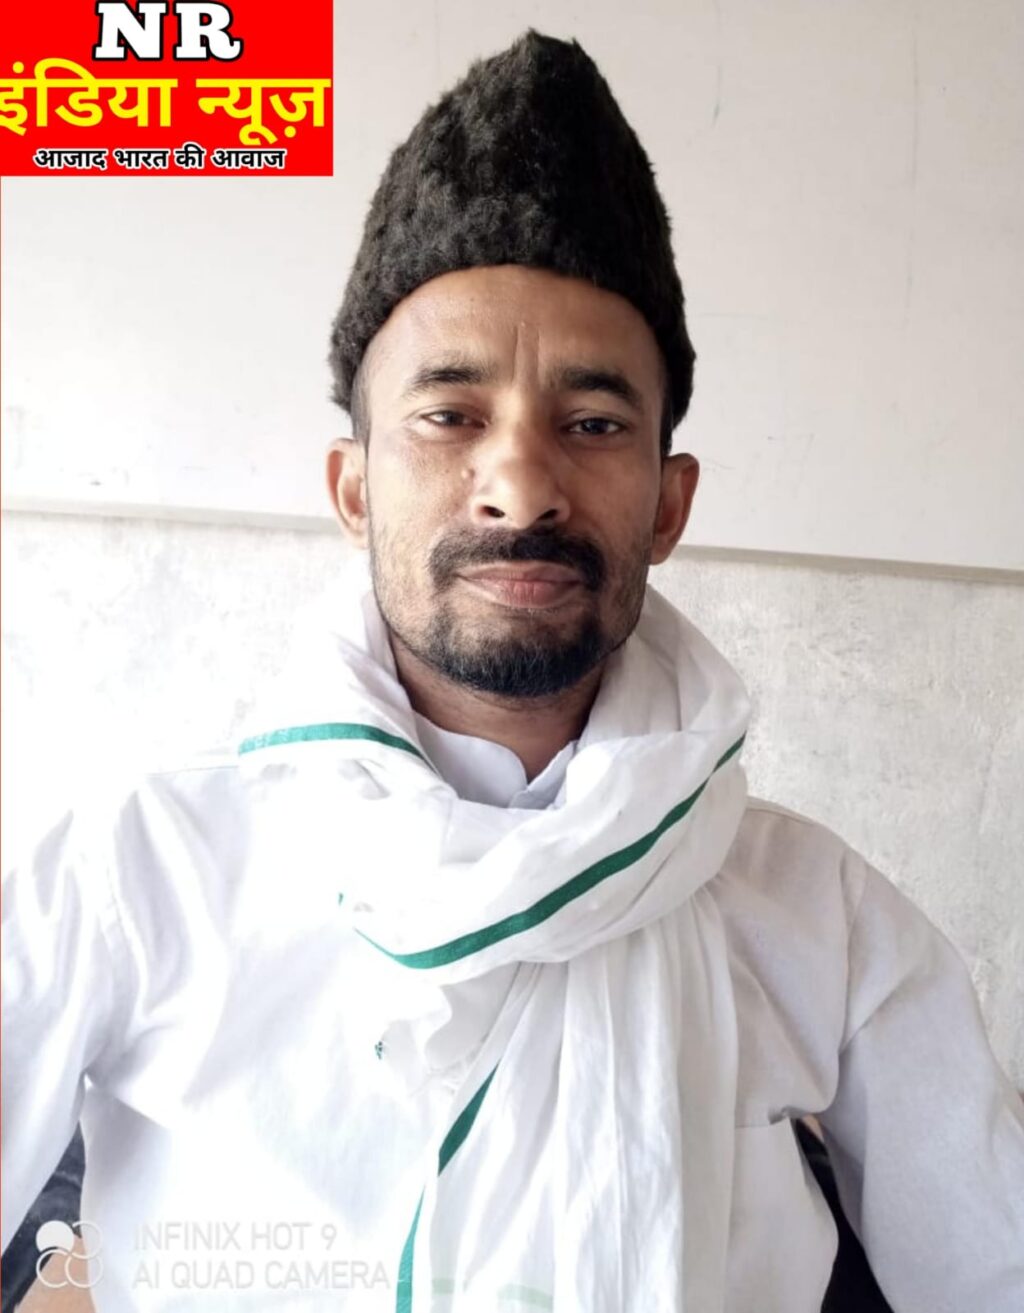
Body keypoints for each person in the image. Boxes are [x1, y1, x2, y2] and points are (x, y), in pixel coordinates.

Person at [3, 29, 1022, 1313]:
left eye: (592, 423)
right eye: (449, 415)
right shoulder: (138, 873)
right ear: (354, 488)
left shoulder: (825, 920)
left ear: (667, 504)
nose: (521, 484)